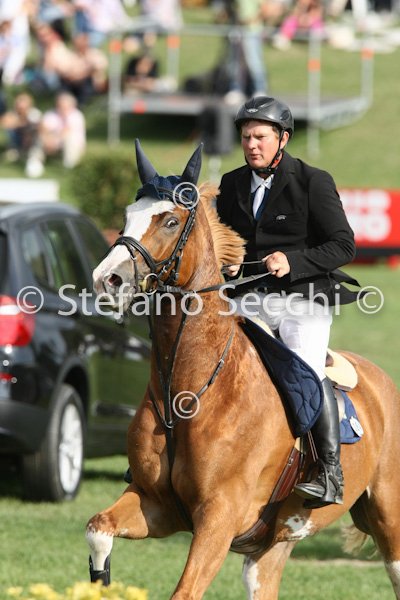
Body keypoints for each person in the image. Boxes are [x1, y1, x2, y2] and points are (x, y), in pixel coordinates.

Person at [217, 96, 359, 508]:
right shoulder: (231, 184)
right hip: (248, 298)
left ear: (283, 138)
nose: (251, 145)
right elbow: (225, 243)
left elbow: (343, 245)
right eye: (246, 137)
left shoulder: (313, 181)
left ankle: (328, 471)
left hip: (303, 298)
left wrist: (293, 261)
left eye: (260, 136)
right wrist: (229, 262)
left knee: (304, 370)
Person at [27, 91, 86, 176]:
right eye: (60, 105)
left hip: (72, 145)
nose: (62, 108)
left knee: (70, 139)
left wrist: (54, 140)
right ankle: (34, 163)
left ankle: (69, 166)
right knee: (39, 137)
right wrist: (46, 139)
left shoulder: (77, 115)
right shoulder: (51, 114)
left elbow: (66, 131)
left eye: (65, 106)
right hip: (52, 141)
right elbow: (43, 128)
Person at [1, 92, 42, 168]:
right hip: (17, 142)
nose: (21, 106)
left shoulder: (34, 113)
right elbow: (4, 122)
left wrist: (19, 122)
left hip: (32, 143)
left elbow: (36, 126)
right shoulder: (13, 113)